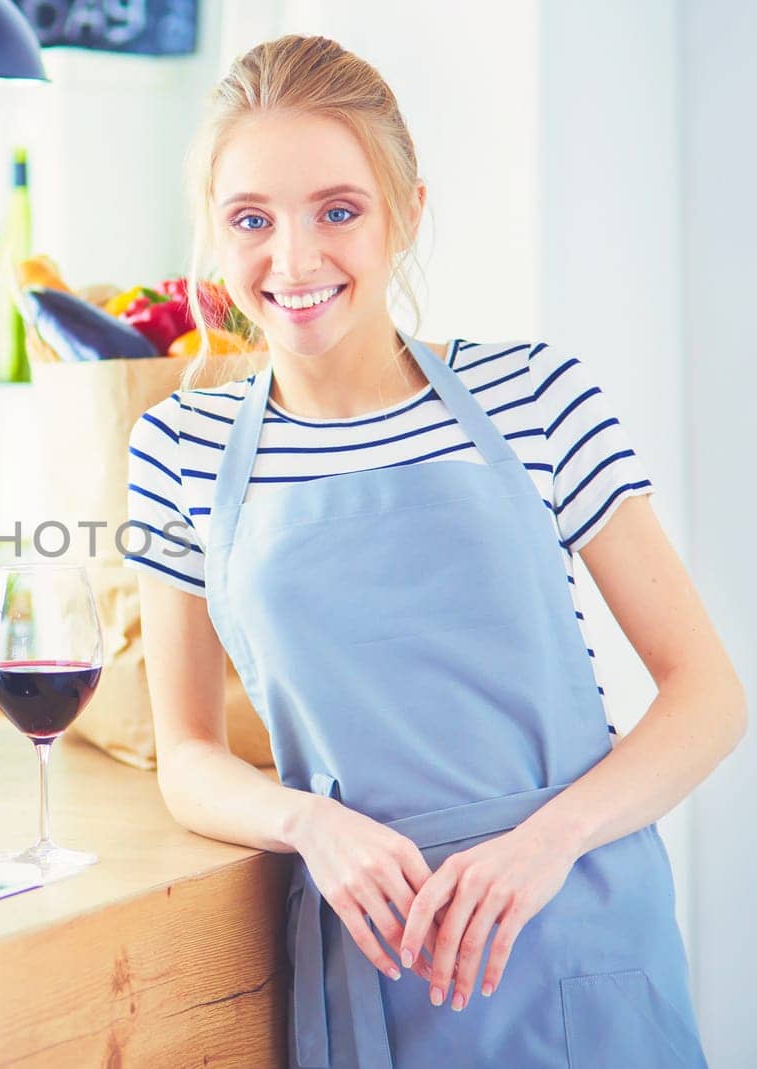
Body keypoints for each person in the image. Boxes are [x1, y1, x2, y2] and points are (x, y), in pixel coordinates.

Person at [125, 34, 744, 1069]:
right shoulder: (175, 446)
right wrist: (310, 826)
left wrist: (541, 844)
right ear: (213, 237)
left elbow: (708, 695)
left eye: (338, 209)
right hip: (369, 944)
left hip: (572, 918)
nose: (295, 259)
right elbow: (184, 756)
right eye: (250, 220)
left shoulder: (535, 395)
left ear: (407, 213)